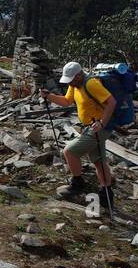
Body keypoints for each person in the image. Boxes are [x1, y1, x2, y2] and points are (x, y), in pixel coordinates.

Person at [43, 61, 114, 209]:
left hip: (98, 127)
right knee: (98, 161)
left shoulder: (92, 84)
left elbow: (111, 102)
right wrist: (49, 96)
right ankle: (106, 195)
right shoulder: (75, 85)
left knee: (70, 152)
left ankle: (77, 184)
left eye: (72, 79)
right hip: (91, 127)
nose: (70, 82)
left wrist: (101, 123)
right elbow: (67, 101)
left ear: (80, 75)